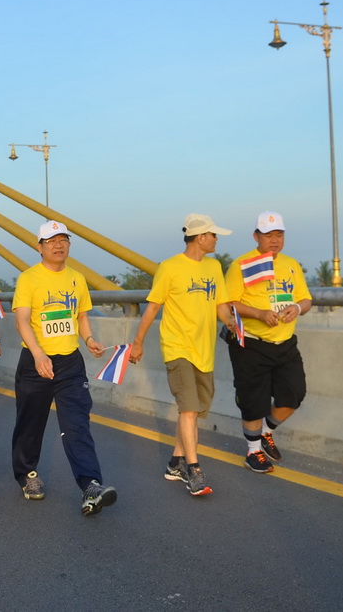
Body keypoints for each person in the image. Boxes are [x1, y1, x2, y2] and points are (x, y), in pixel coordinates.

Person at [11, 221, 118, 515]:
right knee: (30, 424)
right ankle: (27, 474)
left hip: (70, 362)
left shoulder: (77, 278)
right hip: (36, 363)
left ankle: (90, 486)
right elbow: (22, 321)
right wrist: (38, 354)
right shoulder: (29, 279)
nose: (58, 245)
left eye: (63, 240)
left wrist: (90, 339)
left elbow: (81, 315)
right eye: (51, 241)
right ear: (40, 247)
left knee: (77, 424)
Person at [130, 213, 238, 497]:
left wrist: (232, 324)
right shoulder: (170, 268)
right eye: (214, 235)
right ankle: (194, 470)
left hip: (205, 350)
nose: (216, 239)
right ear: (200, 237)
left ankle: (176, 462)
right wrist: (137, 343)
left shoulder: (214, 267)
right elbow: (152, 308)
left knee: (195, 410)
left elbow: (221, 305)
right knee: (189, 408)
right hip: (178, 347)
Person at [224, 211, 313, 473]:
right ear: (256, 236)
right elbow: (230, 303)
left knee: (294, 394)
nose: (274, 240)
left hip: (284, 343)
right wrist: (260, 314)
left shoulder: (291, 265)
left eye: (279, 234)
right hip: (251, 343)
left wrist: (297, 307)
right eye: (268, 235)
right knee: (254, 401)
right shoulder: (242, 264)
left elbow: (306, 299)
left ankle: (266, 432)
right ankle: (252, 452)